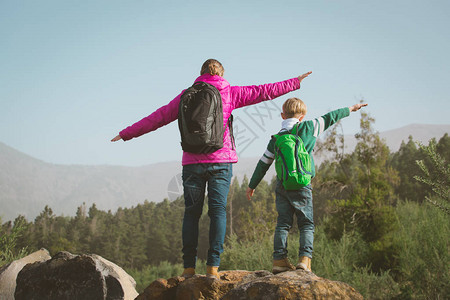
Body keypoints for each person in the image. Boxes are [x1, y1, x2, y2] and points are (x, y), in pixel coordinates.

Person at [111, 59, 312, 279]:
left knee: (191, 214)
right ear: (222, 74)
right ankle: (212, 268)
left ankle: (188, 268)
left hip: (191, 164)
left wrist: (126, 133)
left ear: (201, 73)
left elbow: (157, 117)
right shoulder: (230, 92)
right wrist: (294, 82)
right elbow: (263, 91)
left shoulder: (185, 96)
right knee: (217, 213)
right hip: (220, 162)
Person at [246, 97, 367, 273]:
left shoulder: (276, 138)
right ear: (302, 116)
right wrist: (352, 108)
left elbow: (263, 163)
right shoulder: (310, 127)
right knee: (306, 224)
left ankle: (279, 260)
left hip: (283, 185)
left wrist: (252, 185)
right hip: (302, 184)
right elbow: (332, 116)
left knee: (283, 223)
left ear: (282, 115)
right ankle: (304, 260)